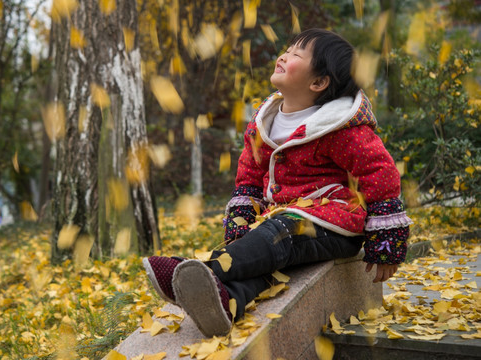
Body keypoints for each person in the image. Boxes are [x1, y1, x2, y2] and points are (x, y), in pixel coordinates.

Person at [143, 28, 413, 338]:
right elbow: (248, 177)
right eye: (287, 49)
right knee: (271, 261)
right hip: (280, 219)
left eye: (297, 54)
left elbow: (380, 173)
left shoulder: (339, 126)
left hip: (333, 223)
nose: (284, 55)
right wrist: (241, 222)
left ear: (318, 82)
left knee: (282, 233)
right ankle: (228, 300)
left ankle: (203, 270)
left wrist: (386, 243)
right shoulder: (264, 122)